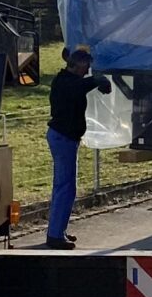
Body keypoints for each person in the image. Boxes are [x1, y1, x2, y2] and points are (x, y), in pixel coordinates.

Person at [45, 43, 109, 248]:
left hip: (64, 138)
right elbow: (77, 88)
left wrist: (96, 81)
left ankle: (58, 230)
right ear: (79, 64)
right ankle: (55, 235)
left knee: (65, 186)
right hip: (63, 138)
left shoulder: (65, 80)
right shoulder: (66, 83)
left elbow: (80, 86)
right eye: (86, 66)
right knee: (65, 187)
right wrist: (97, 80)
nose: (87, 69)